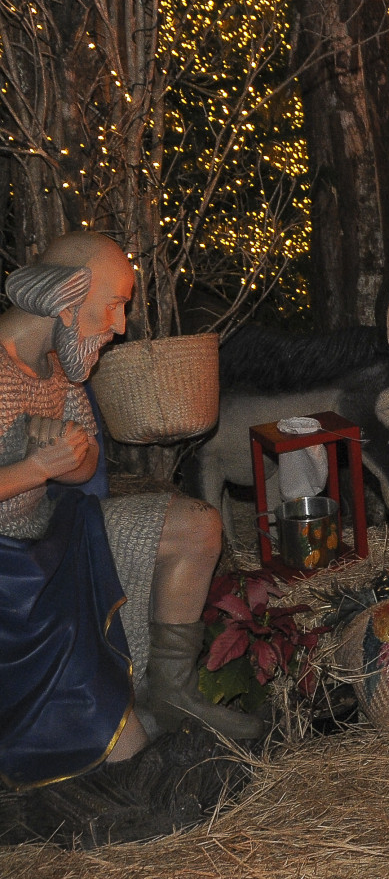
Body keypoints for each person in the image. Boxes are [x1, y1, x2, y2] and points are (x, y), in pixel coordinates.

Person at [1, 234, 258, 797]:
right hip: (11, 580)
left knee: (197, 525)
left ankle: (171, 691)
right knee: (125, 755)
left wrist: (66, 456)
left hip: (55, 538)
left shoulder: (58, 365)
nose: (119, 326)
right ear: (66, 301)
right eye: (114, 305)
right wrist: (34, 468)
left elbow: (87, 459)